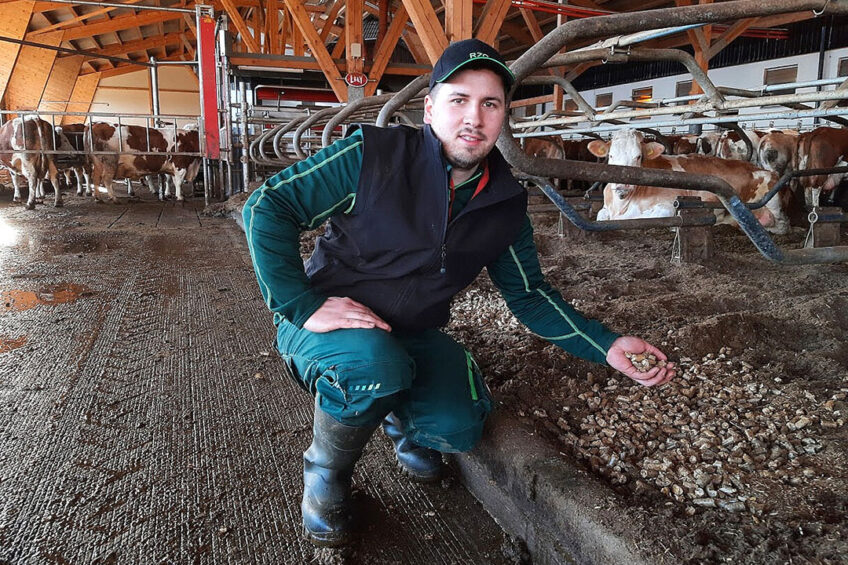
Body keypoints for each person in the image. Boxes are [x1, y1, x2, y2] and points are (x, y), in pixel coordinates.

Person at [242, 38, 676, 547]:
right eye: (458, 100)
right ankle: (325, 474)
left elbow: (530, 295)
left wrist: (606, 345)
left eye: (490, 103)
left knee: (460, 426)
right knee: (371, 368)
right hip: (331, 330)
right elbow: (266, 207)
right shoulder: (372, 156)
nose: (474, 116)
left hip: (413, 333)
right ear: (429, 108)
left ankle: (400, 416)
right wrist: (302, 305)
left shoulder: (505, 202)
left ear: (502, 117)